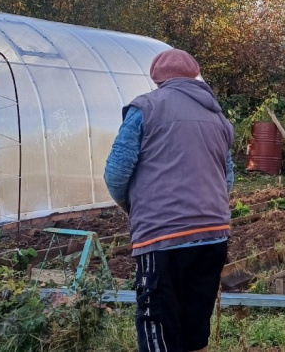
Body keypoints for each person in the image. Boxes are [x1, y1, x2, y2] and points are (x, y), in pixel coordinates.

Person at [104, 48, 234, 352]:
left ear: (157, 78)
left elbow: (116, 173)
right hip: (213, 235)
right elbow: (226, 179)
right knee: (195, 327)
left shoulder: (145, 108)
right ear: (193, 75)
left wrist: (133, 208)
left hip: (163, 237)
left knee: (158, 327)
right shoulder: (217, 116)